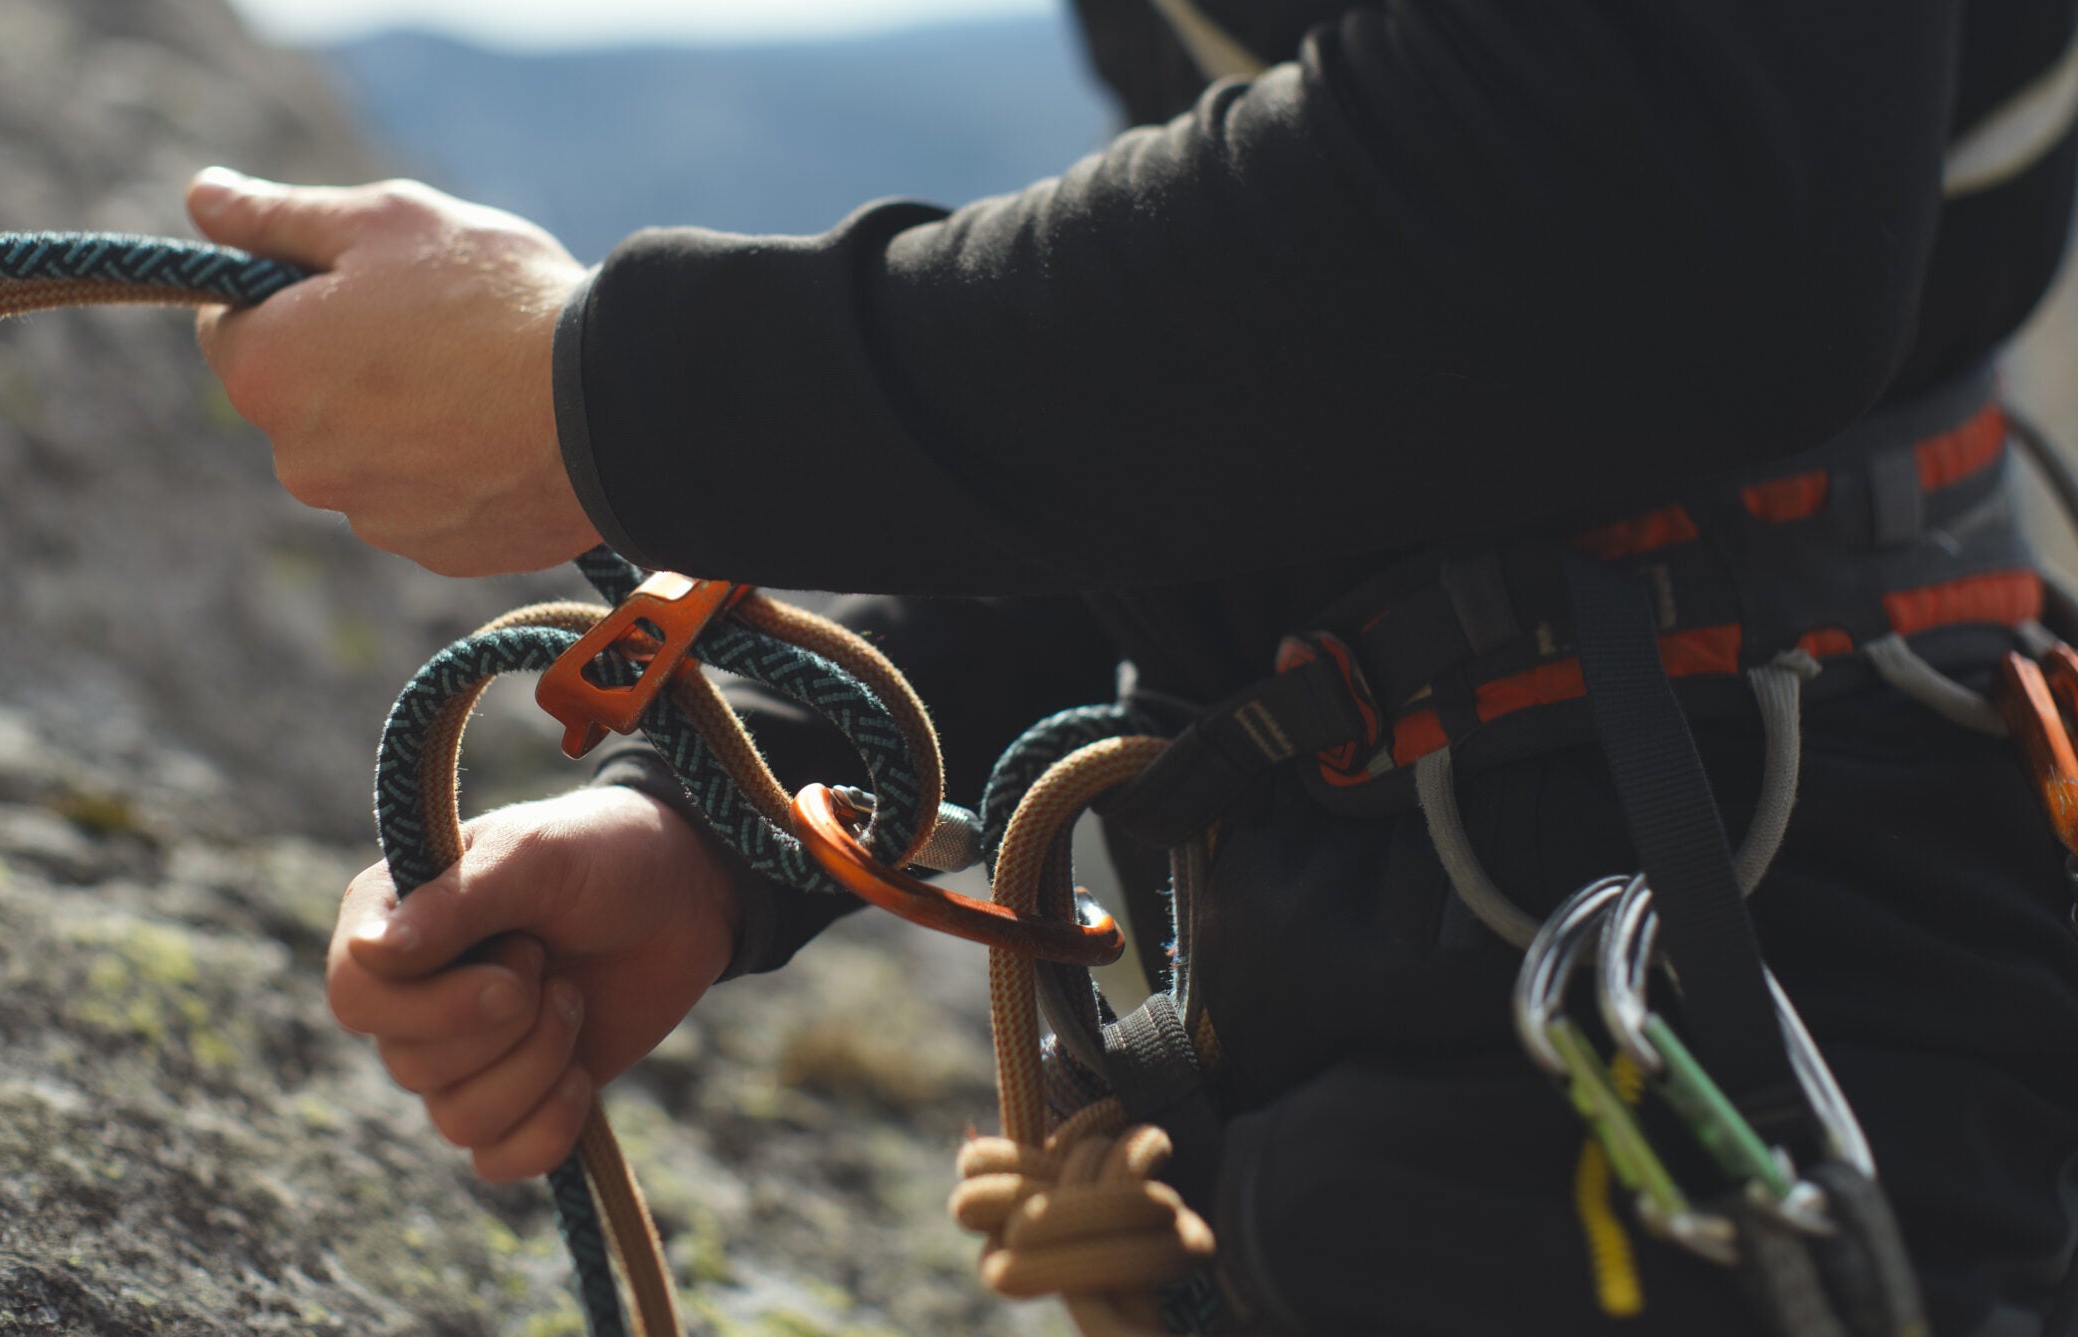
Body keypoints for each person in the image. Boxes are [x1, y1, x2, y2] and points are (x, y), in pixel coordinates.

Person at [187, 1, 2078, 1331]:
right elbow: (1301, 365)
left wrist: (614, 394)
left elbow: (1652, 198)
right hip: (1543, 1010)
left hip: (1726, 1015)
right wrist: (739, 803)